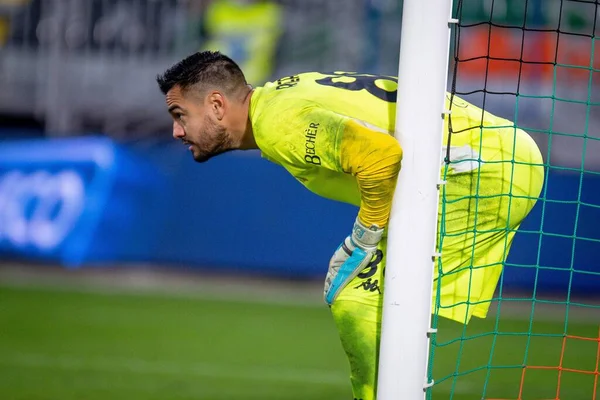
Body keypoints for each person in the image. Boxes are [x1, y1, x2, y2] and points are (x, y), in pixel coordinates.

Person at [156, 51, 544, 400]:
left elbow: (379, 155)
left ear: (217, 104)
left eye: (180, 115)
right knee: (375, 297)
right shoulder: (282, 96)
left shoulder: (277, 123)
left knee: (357, 295)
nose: (176, 131)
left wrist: (364, 238)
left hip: (480, 171)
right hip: (500, 155)